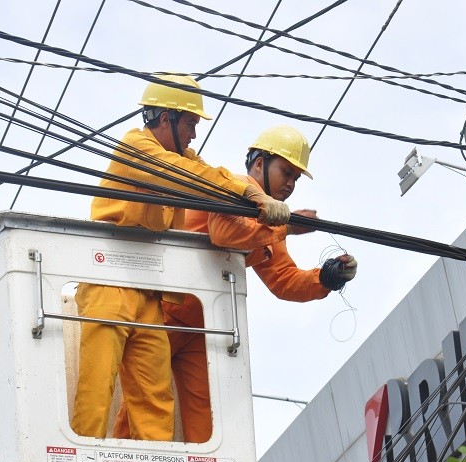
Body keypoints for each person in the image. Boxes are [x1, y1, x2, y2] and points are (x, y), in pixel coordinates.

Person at [70, 75, 291, 441]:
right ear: (164, 117)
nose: (193, 133)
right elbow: (188, 176)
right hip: (108, 280)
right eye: (189, 122)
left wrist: (257, 204)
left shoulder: (183, 158)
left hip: (150, 290)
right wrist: (253, 195)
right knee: (97, 389)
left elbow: (206, 175)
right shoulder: (137, 147)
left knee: (155, 401)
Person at [112, 125, 358, 443]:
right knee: (143, 406)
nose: (291, 184)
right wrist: (288, 228)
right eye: (287, 172)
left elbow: (282, 280)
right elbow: (224, 233)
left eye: (296, 178)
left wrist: (324, 278)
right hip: (163, 314)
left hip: (202, 325)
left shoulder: (269, 222)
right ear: (259, 164)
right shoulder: (236, 187)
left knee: (206, 421)